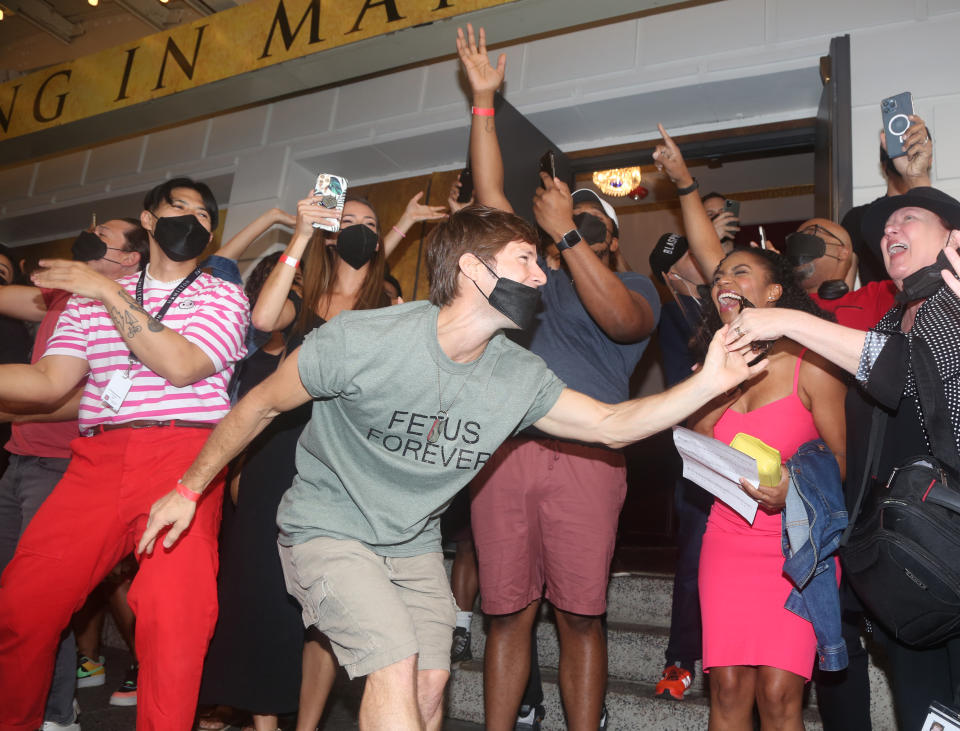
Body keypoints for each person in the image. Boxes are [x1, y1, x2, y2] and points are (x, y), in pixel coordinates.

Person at [137, 203, 764, 731]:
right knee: (393, 662)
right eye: (526, 259)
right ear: (471, 268)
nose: (543, 278)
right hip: (329, 527)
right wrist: (188, 490)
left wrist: (708, 381)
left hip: (411, 544)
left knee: (432, 685)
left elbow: (609, 424)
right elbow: (258, 404)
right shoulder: (364, 339)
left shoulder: (517, 376)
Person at [455, 24, 659, 730]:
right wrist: (484, 101)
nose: (569, 225)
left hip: (587, 453)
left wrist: (570, 237)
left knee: (579, 613)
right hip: (506, 451)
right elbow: (486, 191)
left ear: (606, 234)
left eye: (586, 220)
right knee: (507, 610)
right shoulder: (530, 276)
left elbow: (625, 323)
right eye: (562, 220)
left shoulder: (634, 282)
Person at [0, 177, 249, 731]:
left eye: (205, 214)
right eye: (178, 207)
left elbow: (182, 365)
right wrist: (104, 292)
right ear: (150, 220)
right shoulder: (87, 301)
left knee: (173, 620)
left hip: (183, 457)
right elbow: (48, 382)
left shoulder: (220, 293)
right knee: (23, 605)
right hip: (96, 460)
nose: (193, 218)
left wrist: (109, 291)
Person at [197, 188, 445, 731]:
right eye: (348, 221)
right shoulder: (303, 301)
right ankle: (264, 724)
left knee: (322, 617)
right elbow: (262, 317)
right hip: (279, 455)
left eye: (369, 224)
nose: (359, 229)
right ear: (333, 235)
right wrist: (303, 234)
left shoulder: (388, 308)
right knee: (263, 596)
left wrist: (400, 224)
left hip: (344, 465)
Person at [726, 185, 960, 731]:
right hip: (908, 563)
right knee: (923, 711)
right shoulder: (889, 321)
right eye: (884, 227)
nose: (889, 231)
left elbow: (900, 369)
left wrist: (785, 320)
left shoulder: (952, 305)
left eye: (908, 218)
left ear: (952, 240)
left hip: (949, 548)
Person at [690, 246, 847, 730]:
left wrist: (793, 490)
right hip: (727, 540)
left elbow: (843, 462)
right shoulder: (712, 368)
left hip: (795, 546)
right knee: (728, 686)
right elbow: (691, 439)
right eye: (718, 276)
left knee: (780, 694)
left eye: (739, 271)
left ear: (775, 293)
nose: (724, 281)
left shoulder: (813, 365)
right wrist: (727, 378)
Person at [0, 218, 148, 729]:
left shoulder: (123, 305)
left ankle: (56, 714)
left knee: (44, 602)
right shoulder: (63, 294)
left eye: (102, 232)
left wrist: (13, 414)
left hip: (64, 466)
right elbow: (13, 299)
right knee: (14, 600)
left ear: (129, 257)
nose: (88, 232)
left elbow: (91, 396)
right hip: (20, 461)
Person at [647, 232, 714, 700]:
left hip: (751, 443)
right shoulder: (674, 314)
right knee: (692, 558)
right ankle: (679, 658)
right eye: (691, 254)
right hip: (699, 450)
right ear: (673, 272)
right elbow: (684, 382)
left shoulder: (730, 301)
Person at [841, 114, 933, 284]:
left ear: (929, 160)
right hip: (879, 310)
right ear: (883, 165)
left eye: (915, 151)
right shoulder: (858, 219)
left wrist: (918, 176)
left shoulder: (944, 215)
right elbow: (844, 290)